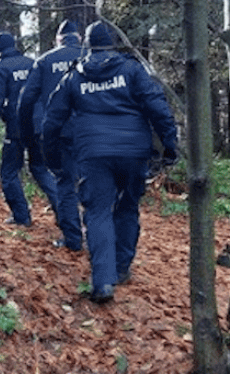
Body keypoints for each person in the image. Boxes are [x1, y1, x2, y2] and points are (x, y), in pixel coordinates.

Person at [39, 21, 178, 304]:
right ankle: (122, 268)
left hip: (93, 154)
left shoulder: (75, 77)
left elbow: (52, 121)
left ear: (87, 45)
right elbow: (157, 107)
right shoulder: (131, 70)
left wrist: (52, 159)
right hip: (133, 152)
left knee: (98, 212)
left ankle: (103, 282)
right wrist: (170, 146)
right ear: (113, 44)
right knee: (127, 208)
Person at [17, 20, 85, 251]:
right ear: (79, 37)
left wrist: (27, 133)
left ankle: (73, 239)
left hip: (61, 131)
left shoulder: (46, 61)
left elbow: (26, 100)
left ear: (58, 39)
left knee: (65, 184)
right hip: (94, 131)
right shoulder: (93, 57)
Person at [0, 31, 57, 226]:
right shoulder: (33, 63)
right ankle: (66, 214)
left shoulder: (1, 67)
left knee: (9, 172)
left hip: (17, 127)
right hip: (40, 124)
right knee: (40, 169)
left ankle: (21, 217)